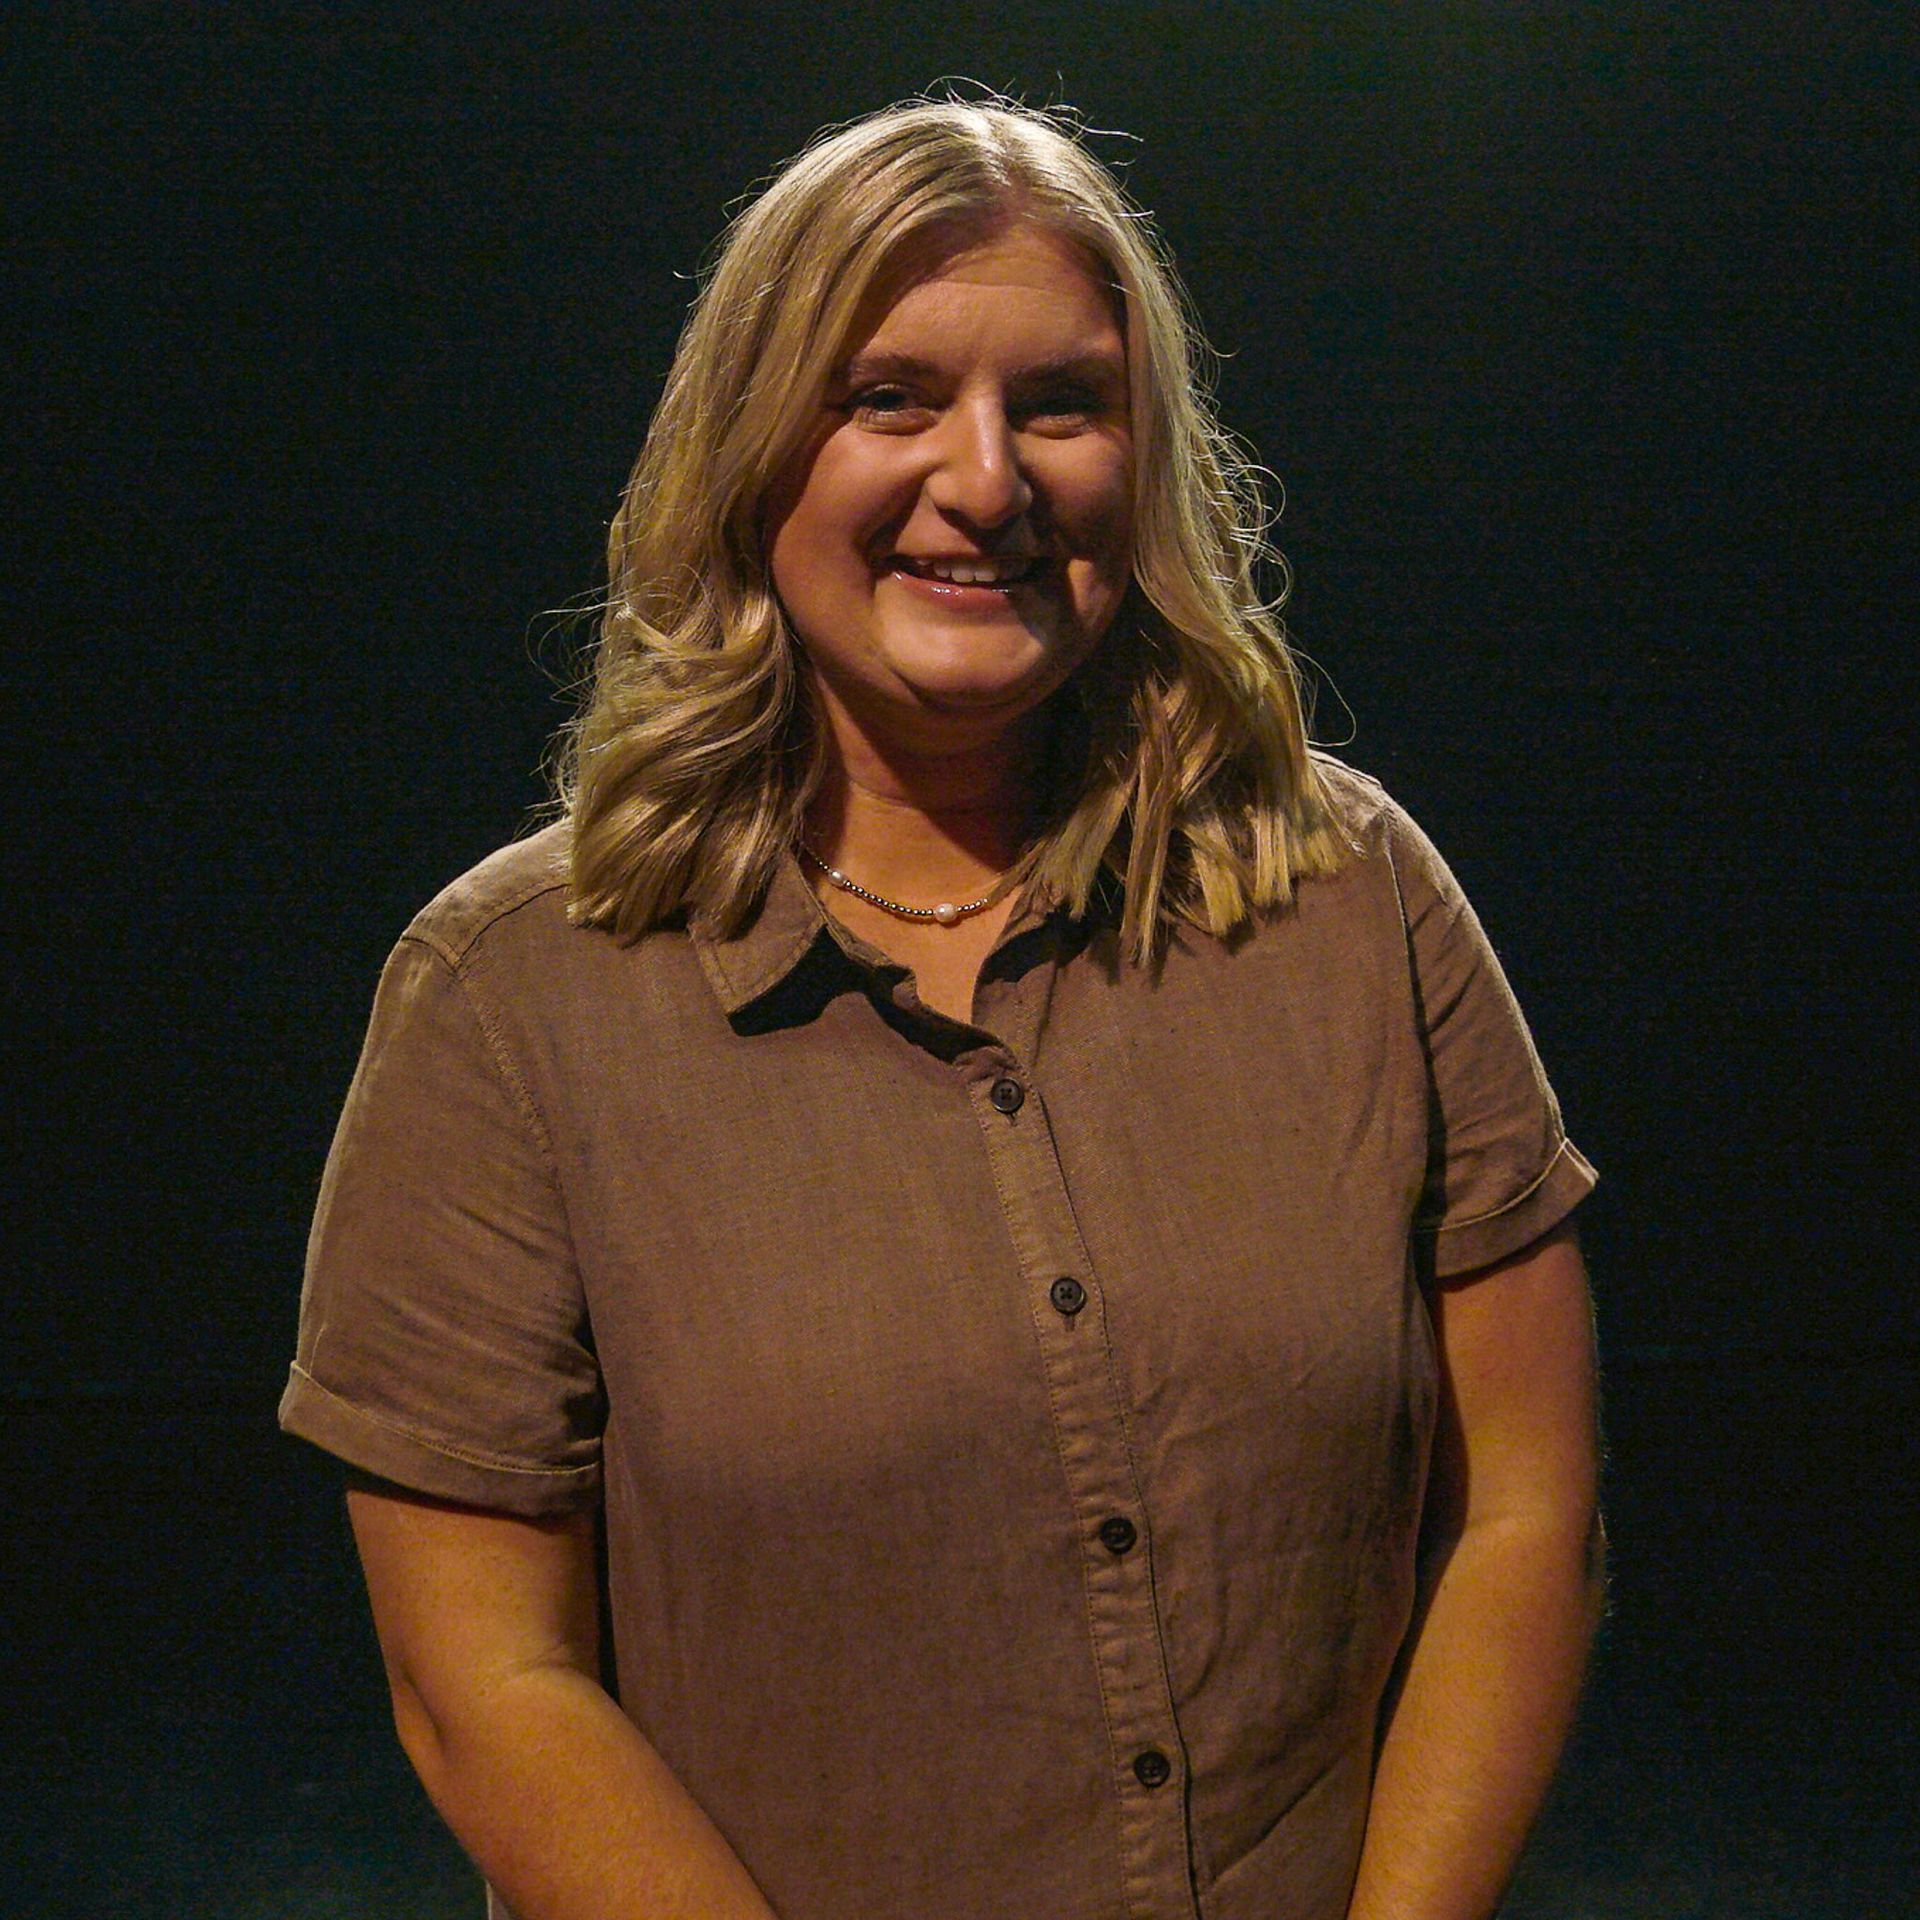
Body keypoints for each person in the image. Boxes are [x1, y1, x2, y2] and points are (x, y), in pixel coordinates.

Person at [281, 96, 1603, 1920]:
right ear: (752, 449)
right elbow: (482, 1686)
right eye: (889, 398)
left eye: (1059, 404)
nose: (985, 480)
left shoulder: (1352, 898)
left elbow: (1530, 1513)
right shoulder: (510, 999)